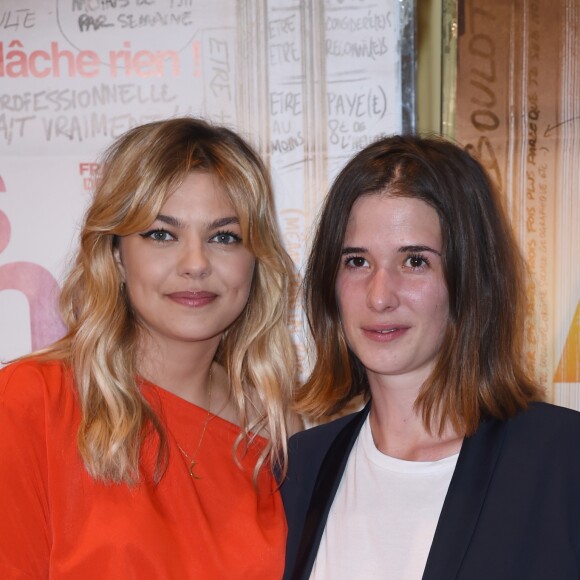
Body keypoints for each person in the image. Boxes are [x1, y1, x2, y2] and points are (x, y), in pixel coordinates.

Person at [0, 117, 298, 579]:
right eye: (162, 234)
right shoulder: (30, 402)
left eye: (224, 236)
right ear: (116, 254)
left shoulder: (276, 429)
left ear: (255, 261)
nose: (196, 264)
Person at [281, 134, 580, 580]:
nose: (380, 296)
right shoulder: (301, 467)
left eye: (415, 261)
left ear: (469, 279)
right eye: (357, 262)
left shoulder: (562, 459)